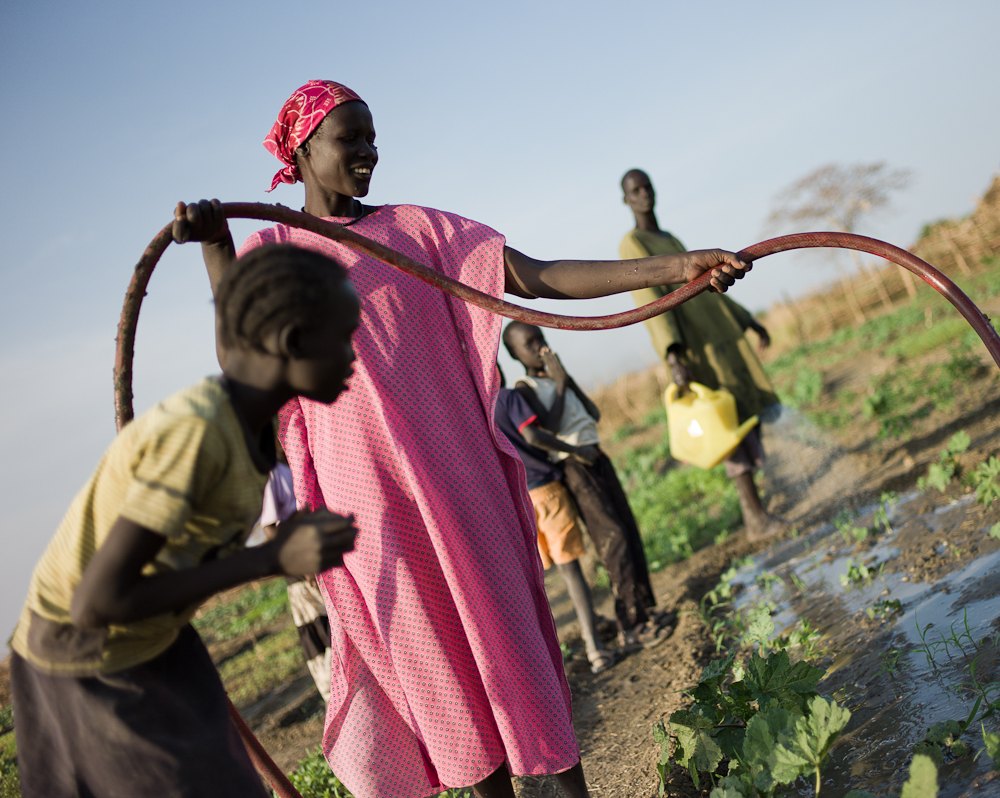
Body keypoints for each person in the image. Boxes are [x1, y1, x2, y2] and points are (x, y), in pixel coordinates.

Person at [171, 80, 751, 798]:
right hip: (371, 509)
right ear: (302, 150)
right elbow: (242, 357)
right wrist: (216, 249)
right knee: (444, 679)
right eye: (350, 138)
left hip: (461, 482)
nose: (369, 152)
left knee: (514, 654)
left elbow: (535, 276)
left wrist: (674, 268)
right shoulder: (274, 248)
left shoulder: (419, 232)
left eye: (373, 136)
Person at [7, 244, 360, 798]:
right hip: (87, 658)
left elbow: (242, 336)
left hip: (159, 637)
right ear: (291, 343)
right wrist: (271, 559)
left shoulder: (251, 420)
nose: (353, 357)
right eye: (344, 338)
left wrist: (216, 241)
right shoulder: (196, 433)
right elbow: (96, 603)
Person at [618, 168, 784, 540]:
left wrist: (746, 320)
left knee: (744, 416)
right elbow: (651, 299)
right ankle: (756, 519)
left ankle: (760, 509)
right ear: (626, 199)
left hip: (720, 334)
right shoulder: (634, 243)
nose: (644, 194)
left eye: (647, 186)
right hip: (697, 347)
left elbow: (707, 284)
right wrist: (673, 353)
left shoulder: (669, 237)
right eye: (635, 190)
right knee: (727, 427)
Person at [503, 322, 673, 651]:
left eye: (541, 338)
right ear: (515, 354)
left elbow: (592, 412)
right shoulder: (525, 389)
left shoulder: (556, 377)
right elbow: (547, 428)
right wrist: (562, 384)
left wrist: (567, 380)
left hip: (596, 455)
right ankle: (631, 625)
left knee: (628, 530)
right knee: (613, 538)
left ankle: (645, 609)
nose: (539, 346)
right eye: (529, 343)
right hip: (573, 465)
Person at [493, 365, 615, 674]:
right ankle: (595, 647)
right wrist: (574, 449)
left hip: (518, 501)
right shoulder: (507, 398)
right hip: (547, 491)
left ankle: (554, 655)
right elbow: (533, 434)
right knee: (571, 571)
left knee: (544, 578)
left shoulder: (478, 411)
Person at [259, 451, 334, 701]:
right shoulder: (274, 474)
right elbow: (270, 528)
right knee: (320, 638)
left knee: (337, 630)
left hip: (322, 563)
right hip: (303, 575)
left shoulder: (300, 462)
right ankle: (335, 702)